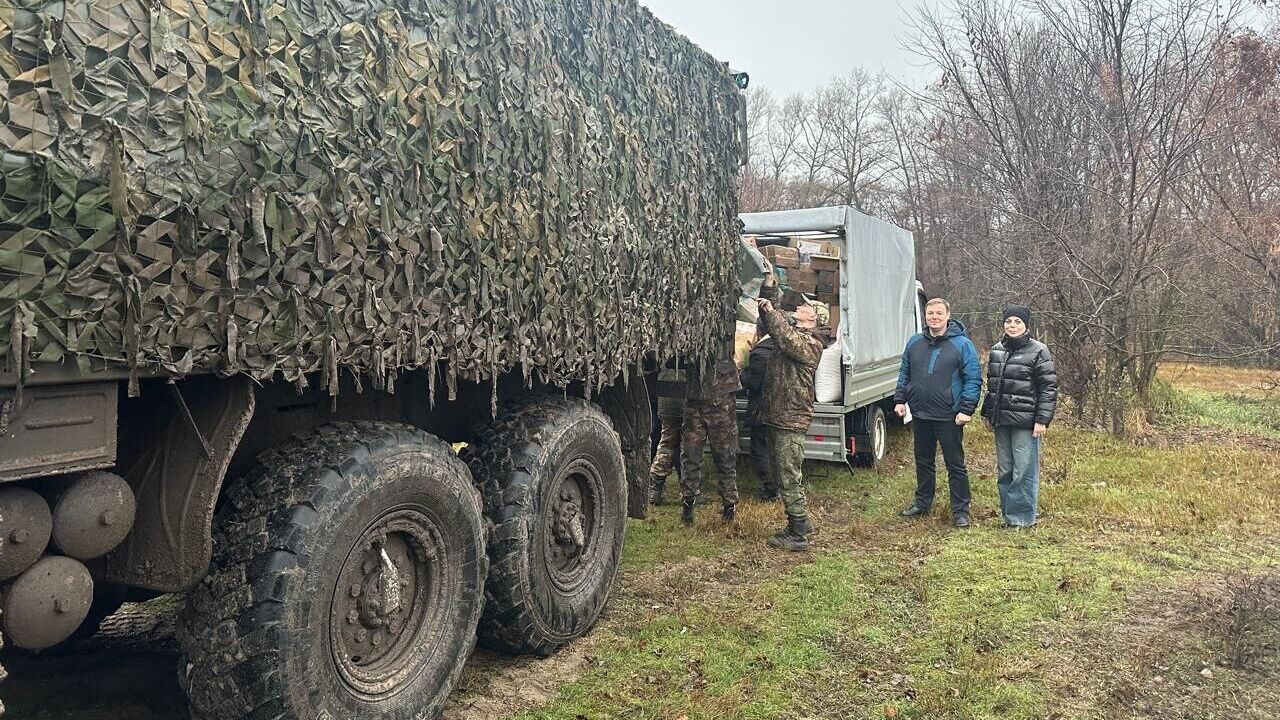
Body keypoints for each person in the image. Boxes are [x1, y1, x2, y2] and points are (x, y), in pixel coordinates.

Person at [894, 298, 982, 528]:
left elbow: (973, 378)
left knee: (955, 463)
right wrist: (900, 399)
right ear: (925, 315)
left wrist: (966, 409)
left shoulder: (962, 344)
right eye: (930, 313)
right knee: (923, 460)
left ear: (948, 315)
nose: (934, 317)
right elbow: (905, 372)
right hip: (920, 413)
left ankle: (960, 511)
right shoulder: (915, 342)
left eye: (938, 313)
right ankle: (922, 503)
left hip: (949, 415)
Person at [756, 297, 830, 551]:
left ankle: (797, 531)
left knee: (789, 475)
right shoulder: (795, 332)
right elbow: (776, 329)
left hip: (792, 417)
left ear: (814, 318)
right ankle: (803, 521)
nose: (799, 306)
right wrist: (767, 304)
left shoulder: (812, 343)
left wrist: (770, 310)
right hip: (778, 414)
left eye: (805, 306)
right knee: (781, 472)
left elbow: (786, 339)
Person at [981, 305, 1058, 528]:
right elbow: (993, 385)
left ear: (1026, 325)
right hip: (1002, 420)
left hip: (1026, 422)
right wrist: (988, 413)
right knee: (1005, 469)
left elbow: (1048, 388)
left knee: (1023, 469)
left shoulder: (1038, 351)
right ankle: (1008, 515)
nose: (1012, 325)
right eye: (1008, 321)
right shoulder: (997, 350)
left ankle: (1022, 518)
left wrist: (1042, 420)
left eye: (1017, 322)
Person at [678, 336, 741, 525]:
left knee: (725, 455)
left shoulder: (725, 324)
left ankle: (729, 507)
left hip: (720, 398)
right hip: (695, 398)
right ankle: (687, 507)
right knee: (690, 455)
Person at [740, 275, 781, 500]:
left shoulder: (759, 353)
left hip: (761, 410)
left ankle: (769, 488)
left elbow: (753, 382)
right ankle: (775, 485)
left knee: (759, 449)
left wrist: (741, 371)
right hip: (776, 408)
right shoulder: (779, 345)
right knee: (772, 449)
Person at [648, 367, 685, 506]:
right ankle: (687, 493)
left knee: (665, 445)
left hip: (665, 402)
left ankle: (654, 490)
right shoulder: (691, 351)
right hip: (683, 403)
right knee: (687, 448)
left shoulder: (665, 352)